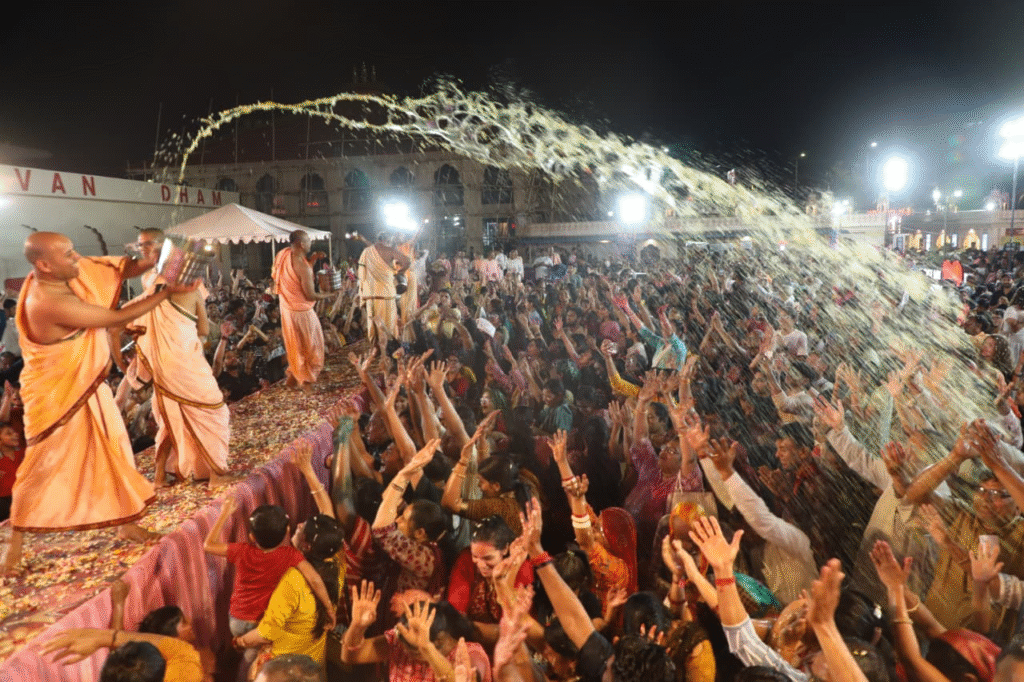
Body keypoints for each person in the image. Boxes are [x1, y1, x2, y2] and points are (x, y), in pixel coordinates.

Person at [1, 232, 194, 573]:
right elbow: (116, 319)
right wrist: (164, 292)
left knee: (117, 447)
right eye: (69, 254)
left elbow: (113, 270)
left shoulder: (63, 272)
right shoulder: (47, 301)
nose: (77, 258)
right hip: (57, 397)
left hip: (87, 386)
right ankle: (13, 548)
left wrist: (150, 262)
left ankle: (125, 521)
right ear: (44, 264)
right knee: (41, 468)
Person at [127, 229, 231, 487]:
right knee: (214, 412)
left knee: (170, 417)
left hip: (164, 360)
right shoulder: (166, 284)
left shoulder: (153, 283)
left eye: (148, 245)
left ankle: (160, 476)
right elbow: (205, 330)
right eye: (142, 245)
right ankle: (217, 474)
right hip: (184, 359)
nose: (143, 249)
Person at [272, 230, 333, 392]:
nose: (311, 243)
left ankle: (291, 381)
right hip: (301, 312)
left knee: (296, 346)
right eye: (309, 241)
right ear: (302, 244)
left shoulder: (283, 254)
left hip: (287, 310)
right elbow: (310, 294)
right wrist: (329, 294)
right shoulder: (301, 265)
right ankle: (307, 384)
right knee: (312, 347)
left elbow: (297, 276)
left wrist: (312, 260)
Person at [357, 230, 411, 356]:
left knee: (373, 326)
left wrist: (362, 292)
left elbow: (361, 272)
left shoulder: (366, 251)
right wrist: (399, 272)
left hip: (371, 294)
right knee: (389, 325)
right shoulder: (390, 250)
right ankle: (390, 350)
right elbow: (407, 261)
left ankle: (375, 349)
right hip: (386, 294)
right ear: (387, 240)